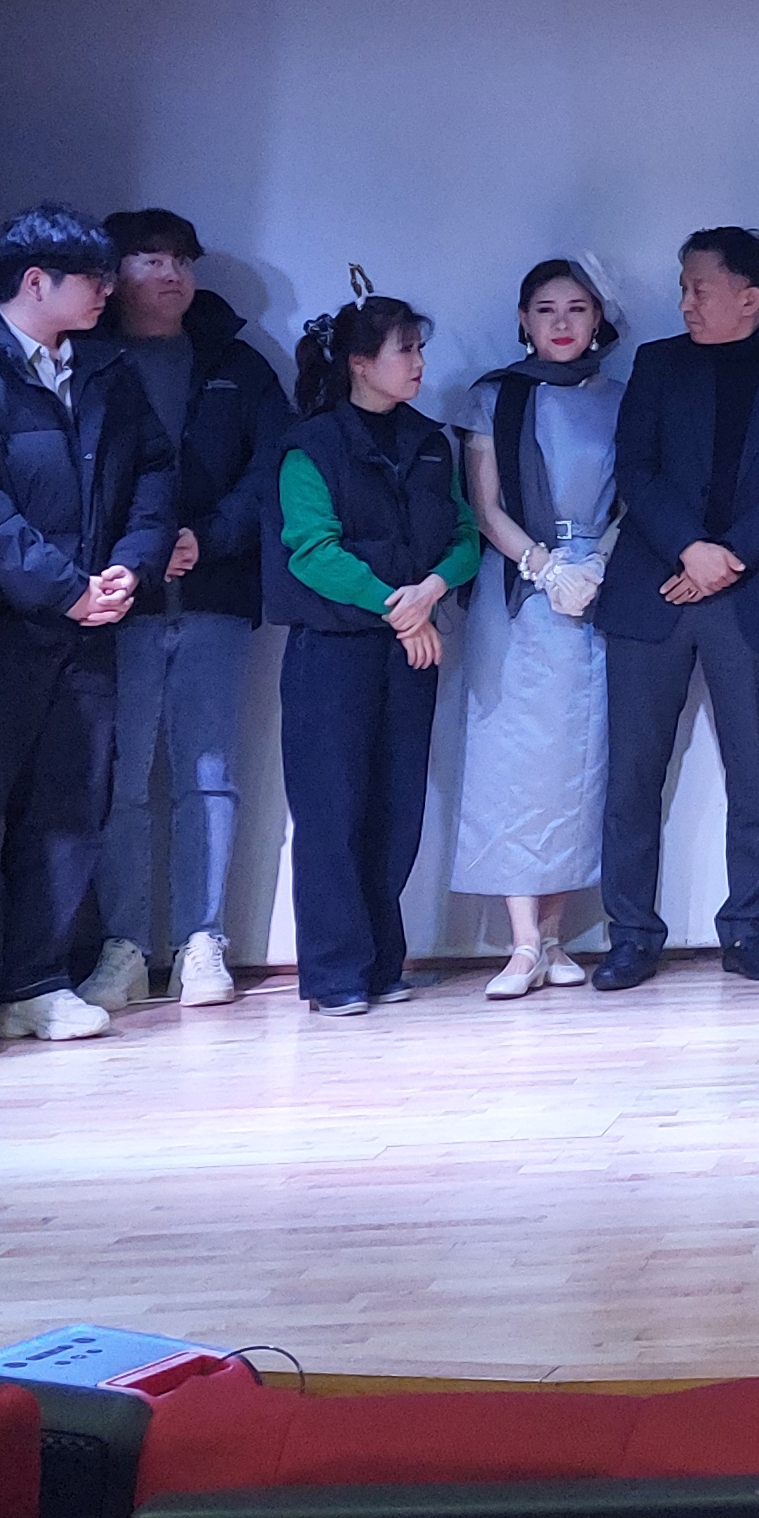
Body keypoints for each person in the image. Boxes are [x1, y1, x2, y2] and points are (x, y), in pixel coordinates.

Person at [0, 204, 171, 1058]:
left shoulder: (107, 370)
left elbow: (154, 472)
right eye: (94, 279)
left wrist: (131, 566)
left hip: (92, 626)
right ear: (34, 282)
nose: (109, 292)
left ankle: (36, 982)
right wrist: (64, 590)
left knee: (71, 809)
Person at [597, 226, 759, 990]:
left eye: (697, 288)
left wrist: (727, 555)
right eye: (683, 288)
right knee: (632, 775)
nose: (684, 303)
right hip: (654, 591)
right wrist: (688, 548)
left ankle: (747, 930)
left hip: (751, 593)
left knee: (756, 777)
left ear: (749, 296)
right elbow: (634, 469)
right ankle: (631, 935)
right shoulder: (657, 364)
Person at [80, 208, 289, 1017]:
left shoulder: (236, 362)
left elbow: (272, 466)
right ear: (113, 273)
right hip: (116, 605)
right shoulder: (89, 358)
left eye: (181, 260)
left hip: (215, 597)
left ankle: (204, 940)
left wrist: (212, 536)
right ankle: (125, 946)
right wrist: (135, 556)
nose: (171, 274)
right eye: (150, 258)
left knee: (209, 776)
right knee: (122, 780)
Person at [269, 289, 478, 1017]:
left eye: (421, 349)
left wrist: (431, 589)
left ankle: (384, 962)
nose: (419, 363)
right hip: (333, 653)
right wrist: (400, 608)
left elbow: (464, 537)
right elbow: (311, 550)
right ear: (360, 364)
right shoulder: (311, 445)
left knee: (397, 808)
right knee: (332, 812)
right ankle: (334, 973)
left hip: (408, 650)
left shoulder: (429, 441)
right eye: (405, 350)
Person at [453, 258, 622, 998]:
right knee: (513, 759)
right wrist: (545, 568)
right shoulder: (495, 396)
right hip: (520, 591)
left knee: (578, 764)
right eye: (546, 308)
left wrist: (599, 565)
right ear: (523, 318)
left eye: (577, 308)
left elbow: (632, 499)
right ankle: (521, 943)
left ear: (598, 319)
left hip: (598, 594)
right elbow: (485, 506)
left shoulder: (623, 399)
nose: (562, 322)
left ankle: (555, 936)